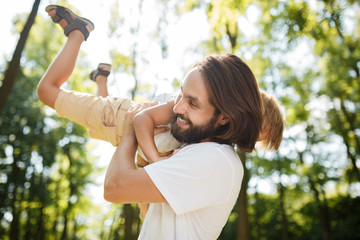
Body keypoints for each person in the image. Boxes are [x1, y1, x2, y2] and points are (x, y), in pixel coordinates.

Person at [35, 5, 276, 239]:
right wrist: (148, 157)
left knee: (58, 97)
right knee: (49, 92)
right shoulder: (192, 143)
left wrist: (145, 151)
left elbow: (116, 187)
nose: (179, 107)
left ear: (227, 117)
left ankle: (93, 66)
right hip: (130, 118)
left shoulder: (216, 159)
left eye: (192, 103)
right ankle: (79, 33)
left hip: (130, 124)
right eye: (182, 95)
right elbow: (151, 215)